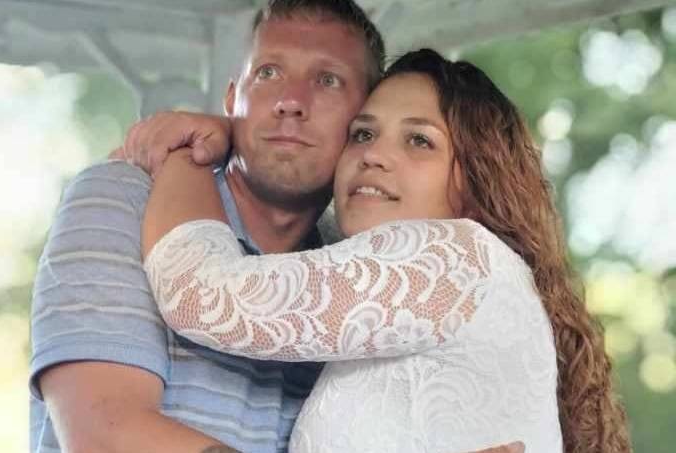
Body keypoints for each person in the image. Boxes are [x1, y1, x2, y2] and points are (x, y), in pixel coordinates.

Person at [29, 1, 521, 452]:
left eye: (328, 80)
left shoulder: (355, 271)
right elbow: (106, 436)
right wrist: (197, 153)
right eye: (267, 73)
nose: (290, 100)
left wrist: (191, 155)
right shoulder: (124, 197)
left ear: (362, 121)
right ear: (232, 99)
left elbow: (207, 293)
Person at [136, 50, 632, 452]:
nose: (373, 154)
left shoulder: (450, 257)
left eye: (419, 140)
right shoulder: (458, 280)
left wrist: (191, 153)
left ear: (476, 180)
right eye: (363, 134)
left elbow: (203, 295)